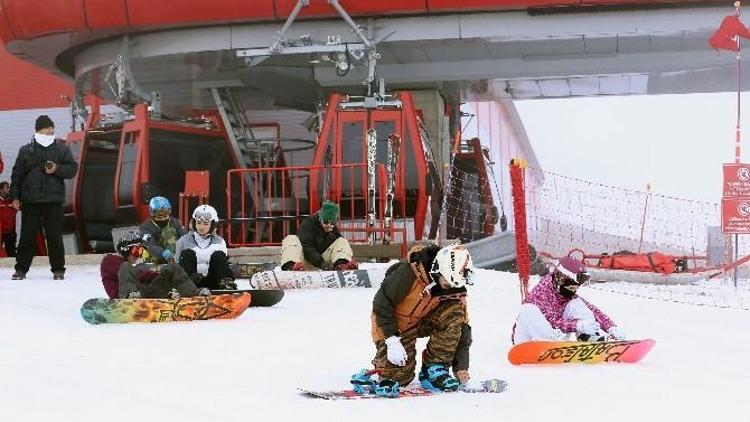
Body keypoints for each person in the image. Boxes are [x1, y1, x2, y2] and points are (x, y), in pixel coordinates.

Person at [351, 244, 474, 398]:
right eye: (446, 284)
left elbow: (462, 325)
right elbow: (381, 303)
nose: (448, 289)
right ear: (438, 270)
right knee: (400, 378)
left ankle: (434, 368)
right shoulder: (409, 272)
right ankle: (383, 366)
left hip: (423, 320)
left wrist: (461, 366)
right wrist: (391, 339)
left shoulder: (455, 286)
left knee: (454, 312)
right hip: (394, 325)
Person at [10, 115, 78, 280]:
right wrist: (15, 197)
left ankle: (58, 270)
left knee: (54, 236)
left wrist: (56, 169)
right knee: (27, 236)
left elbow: (72, 169)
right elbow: (16, 175)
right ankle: (21, 269)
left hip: (53, 200)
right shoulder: (25, 150)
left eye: (51, 127)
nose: (51, 130)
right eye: (47, 128)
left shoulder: (61, 148)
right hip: (30, 200)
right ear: (39, 129)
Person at [512, 256, 626, 344]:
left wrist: (611, 327)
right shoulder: (543, 292)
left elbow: (592, 310)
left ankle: (588, 337)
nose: (574, 290)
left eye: (576, 287)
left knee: (577, 304)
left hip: (558, 336)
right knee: (528, 309)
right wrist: (577, 325)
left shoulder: (565, 293)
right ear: (560, 279)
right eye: (572, 286)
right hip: (530, 339)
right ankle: (550, 340)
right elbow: (552, 320)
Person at [101, 232, 209, 299]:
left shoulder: (132, 265)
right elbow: (138, 274)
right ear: (125, 250)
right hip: (123, 296)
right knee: (126, 267)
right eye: (136, 251)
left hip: (145, 292)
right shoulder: (110, 260)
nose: (138, 255)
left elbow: (143, 275)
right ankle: (131, 297)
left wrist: (162, 272)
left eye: (141, 252)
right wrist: (154, 271)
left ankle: (193, 294)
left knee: (173, 267)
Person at [279, 201, 358, 271]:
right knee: (290, 239)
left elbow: (341, 249)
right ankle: (291, 267)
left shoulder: (334, 231)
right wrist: (321, 263)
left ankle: (341, 266)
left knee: (342, 241)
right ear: (320, 218)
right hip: (304, 262)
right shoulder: (308, 224)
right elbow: (307, 248)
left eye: (332, 223)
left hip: (323, 263)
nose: (329, 225)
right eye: (326, 222)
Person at [176, 204, 237, 290]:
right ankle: (182, 288)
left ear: (212, 225)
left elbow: (222, 265)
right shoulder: (183, 241)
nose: (201, 227)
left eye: (206, 224)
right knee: (187, 253)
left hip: (213, 281)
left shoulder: (220, 242)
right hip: (191, 283)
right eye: (198, 223)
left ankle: (227, 285)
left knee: (218, 255)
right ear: (194, 223)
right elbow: (177, 264)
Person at [140, 196, 186, 264]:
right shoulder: (145, 227)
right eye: (159, 217)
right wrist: (163, 253)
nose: (163, 219)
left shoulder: (175, 222)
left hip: (174, 253)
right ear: (153, 215)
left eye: (165, 216)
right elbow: (149, 245)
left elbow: (184, 237)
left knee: (169, 232)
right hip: (156, 255)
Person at [0, 181, 17, 257]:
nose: (9, 189)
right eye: (7, 188)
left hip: (10, 233)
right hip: (0, 232)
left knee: (12, 255)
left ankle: (14, 269)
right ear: (1, 190)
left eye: (9, 187)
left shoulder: (14, 201)